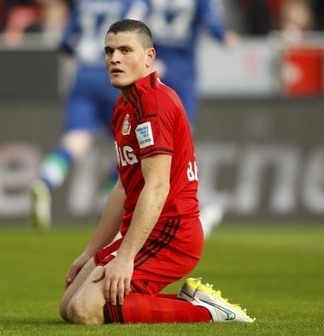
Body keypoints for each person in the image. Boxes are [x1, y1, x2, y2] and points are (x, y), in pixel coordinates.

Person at [59, 18, 255, 324]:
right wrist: (91, 251)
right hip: (147, 232)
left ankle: (206, 312)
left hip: (171, 234)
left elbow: (158, 186)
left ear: (149, 57)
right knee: (68, 306)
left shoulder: (155, 103)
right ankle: (187, 301)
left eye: (126, 50)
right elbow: (124, 188)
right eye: (109, 51)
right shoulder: (125, 105)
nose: (115, 59)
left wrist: (124, 257)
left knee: (85, 311)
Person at [30, 0, 145, 229]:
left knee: (75, 142)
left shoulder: (88, 1)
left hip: (83, 76)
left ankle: (44, 180)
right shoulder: (135, 3)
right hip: (114, 78)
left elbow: (65, 44)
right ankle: (109, 210)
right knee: (128, 148)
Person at [138, 0, 236, 237]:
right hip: (181, 73)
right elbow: (215, 24)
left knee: (147, 140)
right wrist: (227, 38)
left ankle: (125, 205)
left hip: (152, 66)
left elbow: (134, 15)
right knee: (178, 144)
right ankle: (191, 214)